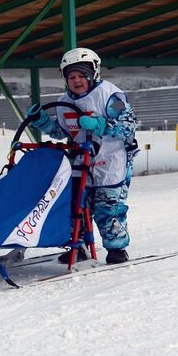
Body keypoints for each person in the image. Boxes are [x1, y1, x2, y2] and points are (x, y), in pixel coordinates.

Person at [24, 47, 138, 264]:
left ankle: (116, 249)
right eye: (71, 77)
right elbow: (62, 131)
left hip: (112, 160)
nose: (76, 81)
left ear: (93, 74)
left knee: (108, 207)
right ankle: (79, 246)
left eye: (81, 76)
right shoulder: (64, 101)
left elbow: (128, 127)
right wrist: (42, 121)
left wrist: (101, 124)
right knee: (76, 206)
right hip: (81, 160)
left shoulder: (110, 96)